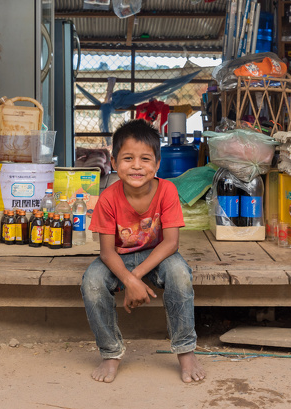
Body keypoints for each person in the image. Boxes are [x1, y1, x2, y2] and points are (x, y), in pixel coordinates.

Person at [81, 119, 205, 384]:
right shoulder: (107, 198)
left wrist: (134, 277)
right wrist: (127, 279)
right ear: (113, 163)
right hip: (117, 257)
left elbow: (171, 243)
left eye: (145, 159)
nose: (136, 165)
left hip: (158, 254)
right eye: (127, 158)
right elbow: (106, 252)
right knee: (91, 281)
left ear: (157, 165)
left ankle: (186, 351)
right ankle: (110, 352)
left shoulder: (168, 190)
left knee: (180, 274)